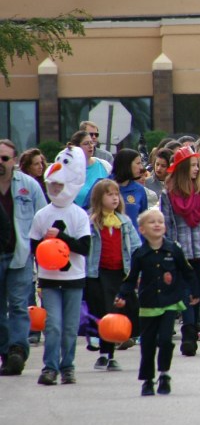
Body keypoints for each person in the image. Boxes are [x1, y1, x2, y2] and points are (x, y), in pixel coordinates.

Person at [115, 208, 199, 396]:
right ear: (142, 229)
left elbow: (188, 272)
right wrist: (122, 295)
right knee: (148, 343)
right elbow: (130, 278)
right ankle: (147, 380)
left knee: (165, 339)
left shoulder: (173, 249)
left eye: (160, 221)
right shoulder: (140, 254)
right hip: (148, 304)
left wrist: (195, 292)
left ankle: (164, 374)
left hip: (170, 302)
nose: (157, 224)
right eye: (152, 222)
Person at [28, 146, 92, 385]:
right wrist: (44, 249)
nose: (55, 189)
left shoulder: (79, 215)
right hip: (49, 279)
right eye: (52, 185)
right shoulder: (42, 214)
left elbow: (85, 247)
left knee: (70, 326)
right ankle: (50, 367)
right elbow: (33, 246)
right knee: (53, 325)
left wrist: (61, 239)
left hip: (74, 279)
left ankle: (68, 366)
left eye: (60, 186)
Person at [0, 139, 47, 376]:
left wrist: (40, 253)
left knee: (18, 305)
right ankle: (6, 352)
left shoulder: (28, 186)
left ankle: (18, 349)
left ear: (15, 161)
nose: (1, 163)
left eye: (5, 158)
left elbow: (43, 218)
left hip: (20, 254)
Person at [85, 179, 141, 372]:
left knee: (118, 313)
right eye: (109, 194)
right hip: (99, 274)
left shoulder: (124, 222)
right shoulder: (91, 222)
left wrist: (137, 270)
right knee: (103, 313)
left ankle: (111, 353)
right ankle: (104, 353)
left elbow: (135, 247)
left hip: (120, 274)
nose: (115, 198)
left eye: (117, 194)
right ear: (99, 198)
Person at [160, 146, 200, 352]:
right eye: (192, 165)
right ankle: (189, 334)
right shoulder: (169, 193)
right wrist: (168, 252)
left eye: (197, 165)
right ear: (182, 168)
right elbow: (166, 224)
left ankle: (194, 328)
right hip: (180, 252)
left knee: (197, 294)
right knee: (185, 294)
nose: (196, 170)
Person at [69, 130, 112, 210]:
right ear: (76, 148)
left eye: (91, 143)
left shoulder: (104, 165)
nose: (90, 146)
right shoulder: (69, 169)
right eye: (86, 144)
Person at [110, 148, 148, 229]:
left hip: (134, 240)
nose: (141, 167)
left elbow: (144, 220)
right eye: (138, 163)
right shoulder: (102, 185)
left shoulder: (139, 190)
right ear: (126, 164)